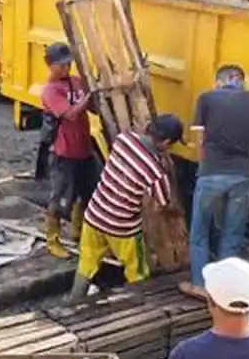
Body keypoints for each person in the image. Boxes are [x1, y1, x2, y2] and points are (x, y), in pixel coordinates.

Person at [187, 65, 249, 292]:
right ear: (241, 80)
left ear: (219, 81)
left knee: (199, 233)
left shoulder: (207, 98)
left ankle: (199, 285)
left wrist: (203, 168)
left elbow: (200, 140)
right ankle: (223, 287)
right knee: (232, 235)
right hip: (241, 177)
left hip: (211, 174)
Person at [71, 115, 184, 299]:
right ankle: (138, 307)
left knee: (86, 264)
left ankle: (73, 303)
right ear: (165, 143)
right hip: (122, 229)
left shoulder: (123, 140)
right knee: (137, 272)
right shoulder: (155, 171)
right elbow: (165, 202)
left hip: (94, 215)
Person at [40, 42, 94, 258]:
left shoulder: (77, 82)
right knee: (60, 199)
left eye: (68, 64)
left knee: (89, 193)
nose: (66, 68)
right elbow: (70, 114)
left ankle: (77, 232)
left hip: (84, 149)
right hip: (64, 152)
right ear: (50, 65)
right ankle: (52, 240)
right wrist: (88, 98)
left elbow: (92, 108)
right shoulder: (51, 90)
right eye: (61, 65)